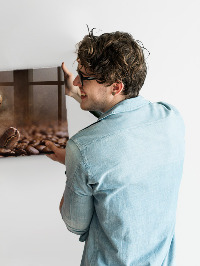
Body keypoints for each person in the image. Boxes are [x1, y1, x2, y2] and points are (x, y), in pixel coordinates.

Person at [45, 30, 185, 265]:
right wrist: (77, 94)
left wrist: (73, 163)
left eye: (84, 77)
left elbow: (74, 224)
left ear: (116, 87)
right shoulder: (172, 118)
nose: (77, 81)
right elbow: (125, 125)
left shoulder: (82, 149)